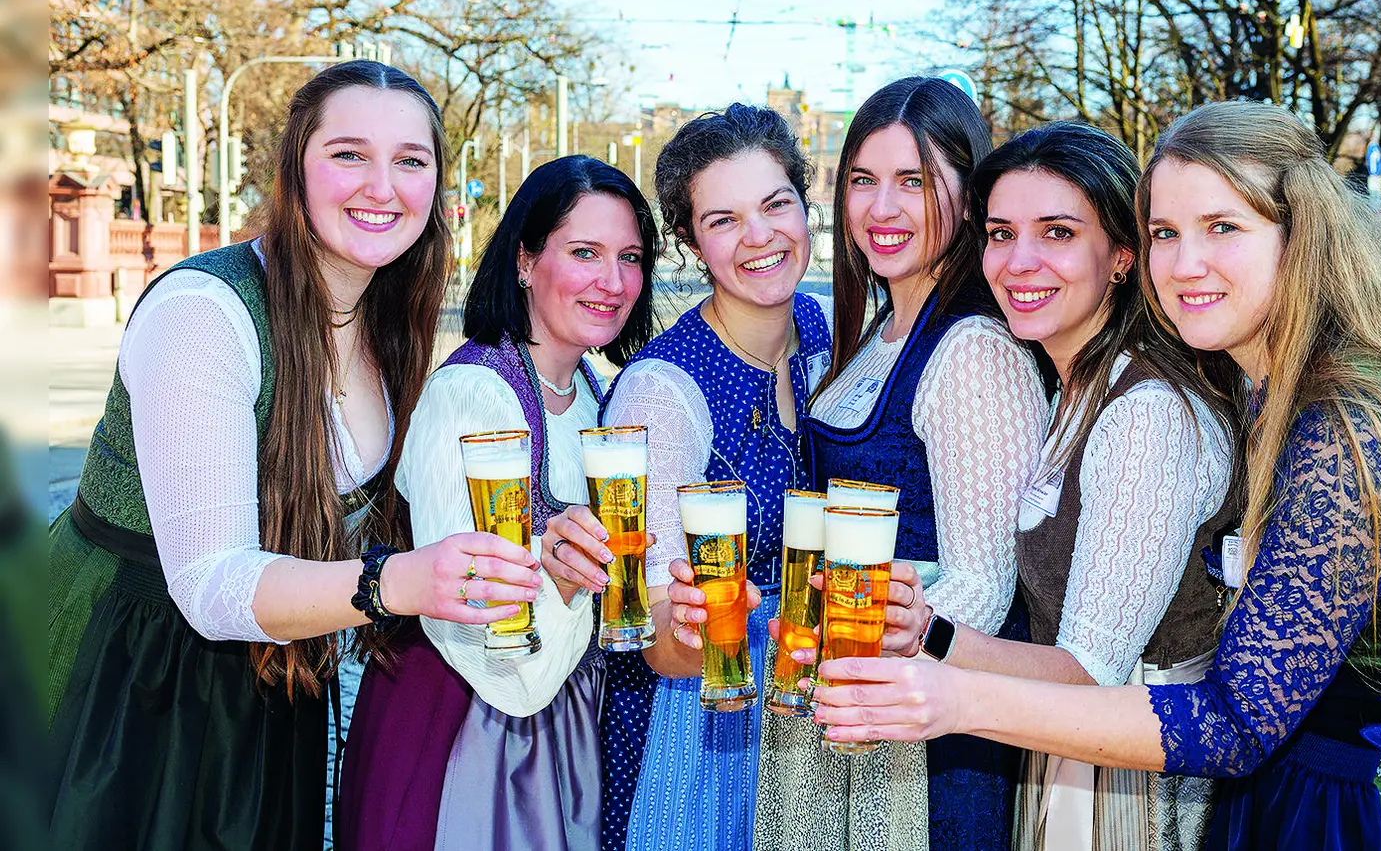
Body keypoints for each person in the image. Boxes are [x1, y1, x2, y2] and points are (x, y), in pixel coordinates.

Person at [811, 100, 1381, 849]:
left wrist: (952, 695)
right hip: (1301, 786)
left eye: (1222, 227)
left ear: (1303, 236)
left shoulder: (1349, 418)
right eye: (1167, 231)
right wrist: (933, 637)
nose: (1185, 262)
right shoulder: (1266, 382)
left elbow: (1235, 717)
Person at [46, 60, 542, 851]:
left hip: (280, 676)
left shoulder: (389, 316)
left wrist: (541, 549)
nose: (382, 185)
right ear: (295, 170)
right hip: (126, 678)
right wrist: (399, 582)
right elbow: (210, 585)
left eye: (410, 161)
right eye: (349, 154)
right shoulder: (204, 311)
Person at [752, 76, 1047, 851]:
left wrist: (874, 641)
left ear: (970, 192)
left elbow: (986, 579)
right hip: (852, 695)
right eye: (862, 181)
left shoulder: (972, 348)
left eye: (913, 182)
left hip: (922, 738)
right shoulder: (882, 325)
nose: (881, 210)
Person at [336, 155, 660, 851]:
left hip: (565, 729)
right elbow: (493, 653)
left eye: (630, 257)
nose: (613, 281)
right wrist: (574, 582)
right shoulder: (475, 397)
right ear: (524, 260)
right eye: (584, 252)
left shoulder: (598, 397)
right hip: (470, 734)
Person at [540, 104, 831, 851]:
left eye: (776, 204)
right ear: (691, 240)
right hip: (700, 727)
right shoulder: (661, 389)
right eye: (724, 219)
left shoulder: (834, 331)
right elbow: (655, 638)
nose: (760, 236)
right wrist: (707, 628)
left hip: (818, 714)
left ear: (806, 205)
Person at [959, 121, 1239, 849]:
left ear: (1121, 254)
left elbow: (1089, 671)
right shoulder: (1075, 385)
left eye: (1056, 232)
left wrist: (923, 642)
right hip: (1075, 746)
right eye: (999, 233)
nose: (1018, 261)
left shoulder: (1147, 412)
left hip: (1138, 769)